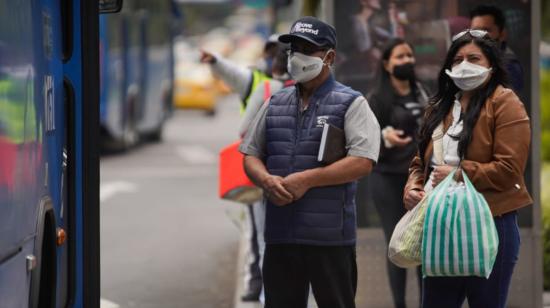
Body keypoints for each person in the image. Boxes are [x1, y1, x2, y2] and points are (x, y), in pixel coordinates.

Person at [240, 16, 380, 308]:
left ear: (329, 57)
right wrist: (265, 179)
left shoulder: (351, 103)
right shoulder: (275, 102)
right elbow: (250, 153)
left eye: (307, 49)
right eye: (293, 49)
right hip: (280, 236)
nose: (296, 57)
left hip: (329, 239)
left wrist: (307, 179)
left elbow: (363, 161)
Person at [403, 30, 533, 308]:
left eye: (474, 58)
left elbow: (510, 169)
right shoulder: (439, 107)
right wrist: (413, 187)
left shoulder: (505, 102)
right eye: (458, 58)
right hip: (439, 224)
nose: (464, 64)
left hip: (491, 222)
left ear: (491, 65)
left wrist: (460, 172)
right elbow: (420, 163)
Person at [201, 36, 286, 302]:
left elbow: (244, 130)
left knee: (262, 235)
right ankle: (260, 285)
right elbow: (232, 73)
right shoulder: (256, 80)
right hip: (290, 174)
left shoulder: (265, 87)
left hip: (261, 171)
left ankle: (264, 292)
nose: (273, 58)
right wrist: (216, 62)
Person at [367, 38, 428, 308]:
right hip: (388, 179)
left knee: (424, 244)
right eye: (400, 57)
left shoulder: (423, 93)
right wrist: (386, 138)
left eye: (409, 56)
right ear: (386, 64)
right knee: (398, 243)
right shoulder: (377, 99)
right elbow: (365, 141)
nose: (407, 61)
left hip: (420, 180)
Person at [469, 4, 524, 93]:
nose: (479, 36)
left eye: (485, 30)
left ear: (502, 34)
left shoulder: (510, 67)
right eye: (475, 31)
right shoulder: (468, 58)